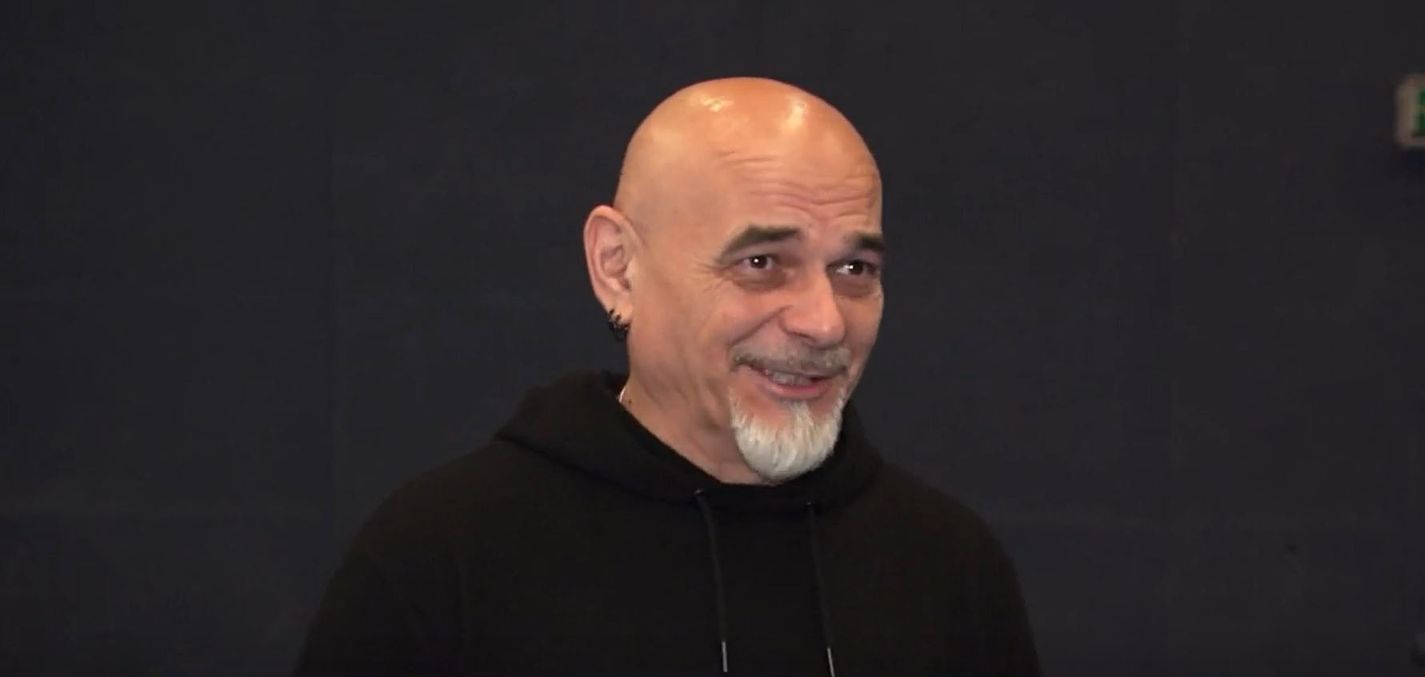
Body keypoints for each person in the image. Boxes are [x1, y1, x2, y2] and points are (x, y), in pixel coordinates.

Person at [296, 77, 1039, 675]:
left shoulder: (950, 570)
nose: (824, 322)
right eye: (761, 262)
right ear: (618, 267)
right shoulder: (441, 559)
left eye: (854, 269)